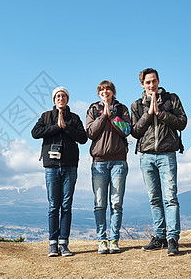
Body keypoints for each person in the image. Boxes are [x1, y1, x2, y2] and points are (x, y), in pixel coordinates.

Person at [130, 68, 187, 256]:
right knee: (154, 199)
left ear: (158, 80)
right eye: (147, 82)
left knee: (170, 197)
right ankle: (160, 236)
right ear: (142, 85)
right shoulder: (137, 105)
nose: (151, 85)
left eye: (154, 81)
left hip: (167, 153)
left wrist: (161, 114)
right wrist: (149, 113)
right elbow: (135, 131)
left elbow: (182, 122)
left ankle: (172, 238)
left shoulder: (171, 99)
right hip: (146, 156)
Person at [31, 86, 88, 257]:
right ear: (54, 99)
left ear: (67, 99)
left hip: (70, 165)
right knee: (53, 205)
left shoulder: (75, 118)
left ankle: (64, 243)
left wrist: (67, 128)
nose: (60, 98)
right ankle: (52, 244)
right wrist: (56, 127)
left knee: (66, 205)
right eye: (57, 96)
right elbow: (35, 133)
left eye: (63, 96)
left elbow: (83, 138)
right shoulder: (46, 116)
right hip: (52, 166)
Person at [86, 80, 131, 254]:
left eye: (108, 89)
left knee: (116, 203)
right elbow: (90, 133)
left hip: (119, 161)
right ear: (99, 93)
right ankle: (101, 240)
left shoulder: (121, 109)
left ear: (113, 92)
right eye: (102, 89)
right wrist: (103, 115)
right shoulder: (93, 109)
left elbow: (126, 130)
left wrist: (112, 115)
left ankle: (114, 240)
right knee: (99, 204)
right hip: (99, 162)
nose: (105, 92)